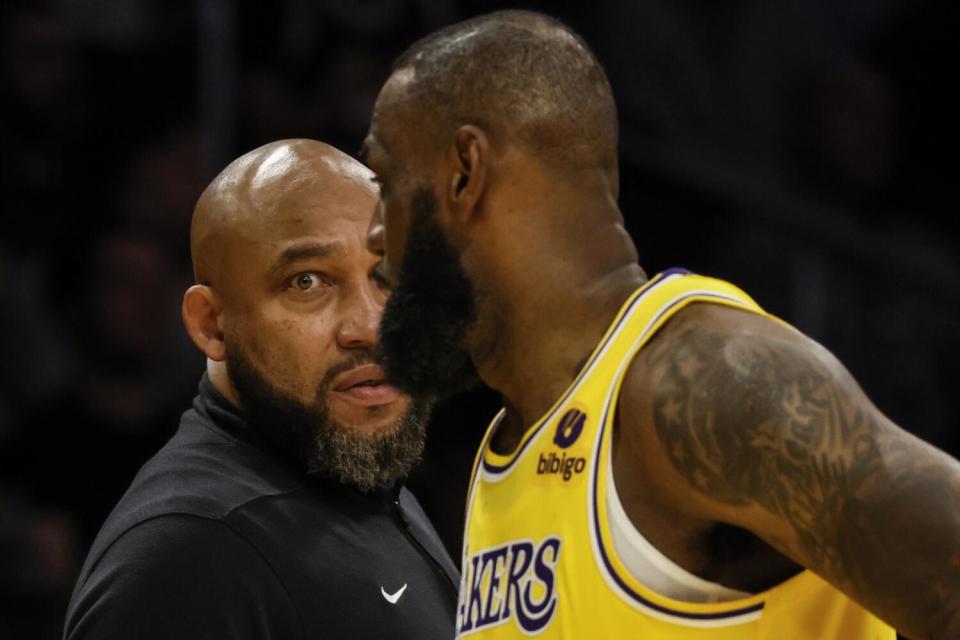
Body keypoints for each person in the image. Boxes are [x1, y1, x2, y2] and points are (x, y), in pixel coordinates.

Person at [360, 10, 960, 640]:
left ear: (464, 171)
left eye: (387, 185)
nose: (374, 237)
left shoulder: (706, 383)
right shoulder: (504, 452)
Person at [63, 140, 459, 639]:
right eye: (308, 282)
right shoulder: (190, 557)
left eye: (388, 275)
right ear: (212, 325)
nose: (372, 326)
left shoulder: (357, 475)